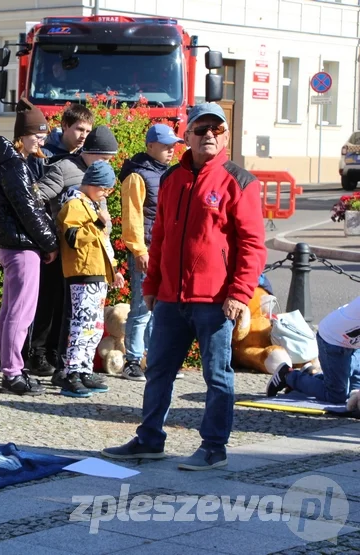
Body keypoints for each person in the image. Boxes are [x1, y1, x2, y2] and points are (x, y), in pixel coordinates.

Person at [101, 103, 267, 470]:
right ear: (187, 136)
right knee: (158, 369)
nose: (209, 135)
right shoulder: (173, 179)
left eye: (216, 130)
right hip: (172, 297)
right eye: (201, 129)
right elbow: (160, 236)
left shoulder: (238, 181)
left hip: (215, 300)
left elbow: (253, 245)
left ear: (224, 136)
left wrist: (240, 294)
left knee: (217, 376)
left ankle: (213, 447)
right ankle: (149, 439)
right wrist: (152, 284)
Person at [26, 125, 118, 378]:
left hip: (87, 253)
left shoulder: (99, 174)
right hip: (60, 247)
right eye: (103, 158)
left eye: (109, 160)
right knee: (51, 303)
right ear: (90, 151)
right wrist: (48, 237)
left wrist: (105, 231)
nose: (105, 163)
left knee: (73, 311)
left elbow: (100, 212)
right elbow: (36, 200)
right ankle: (38, 353)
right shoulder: (64, 168)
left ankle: (61, 356)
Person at [0, 98, 57, 396]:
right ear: (21, 136)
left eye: (43, 134)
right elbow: (29, 210)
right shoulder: (15, 166)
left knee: (11, 311)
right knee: (20, 314)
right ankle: (13, 373)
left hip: (13, 245)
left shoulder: (10, 163)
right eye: (37, 134)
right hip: (22, 247)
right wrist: (50, 242)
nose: (42, 139)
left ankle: (12, 369)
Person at [118, 124, 184, 382]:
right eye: (166, 146)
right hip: (146, 250)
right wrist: (138, 250)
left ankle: (154, 358)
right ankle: (132, 361)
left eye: (173, 146)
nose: (171, 150)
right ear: (150, 146)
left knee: (160, 307)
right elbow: (132, 216)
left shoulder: (165, 173)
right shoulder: (138, 175)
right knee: (141, 307)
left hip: (164, 250)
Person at [54, 161, 124, 397]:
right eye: (105, 188)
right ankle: (71, 372)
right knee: (81, 325)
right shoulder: (74, 203)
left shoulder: (91, 205)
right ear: (92, 183)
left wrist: (113, 269)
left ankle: (84, 369)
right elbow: (73, 237)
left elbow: (103, 243)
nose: (107, 193)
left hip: (96, 273)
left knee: (94, 326)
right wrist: (97, 222)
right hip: (82, 272)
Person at [267, 296, 360, 405]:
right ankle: (289, 376)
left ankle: (310, 374)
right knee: (337, 396)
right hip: (333, 341)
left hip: (353, 343)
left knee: (354, 390)